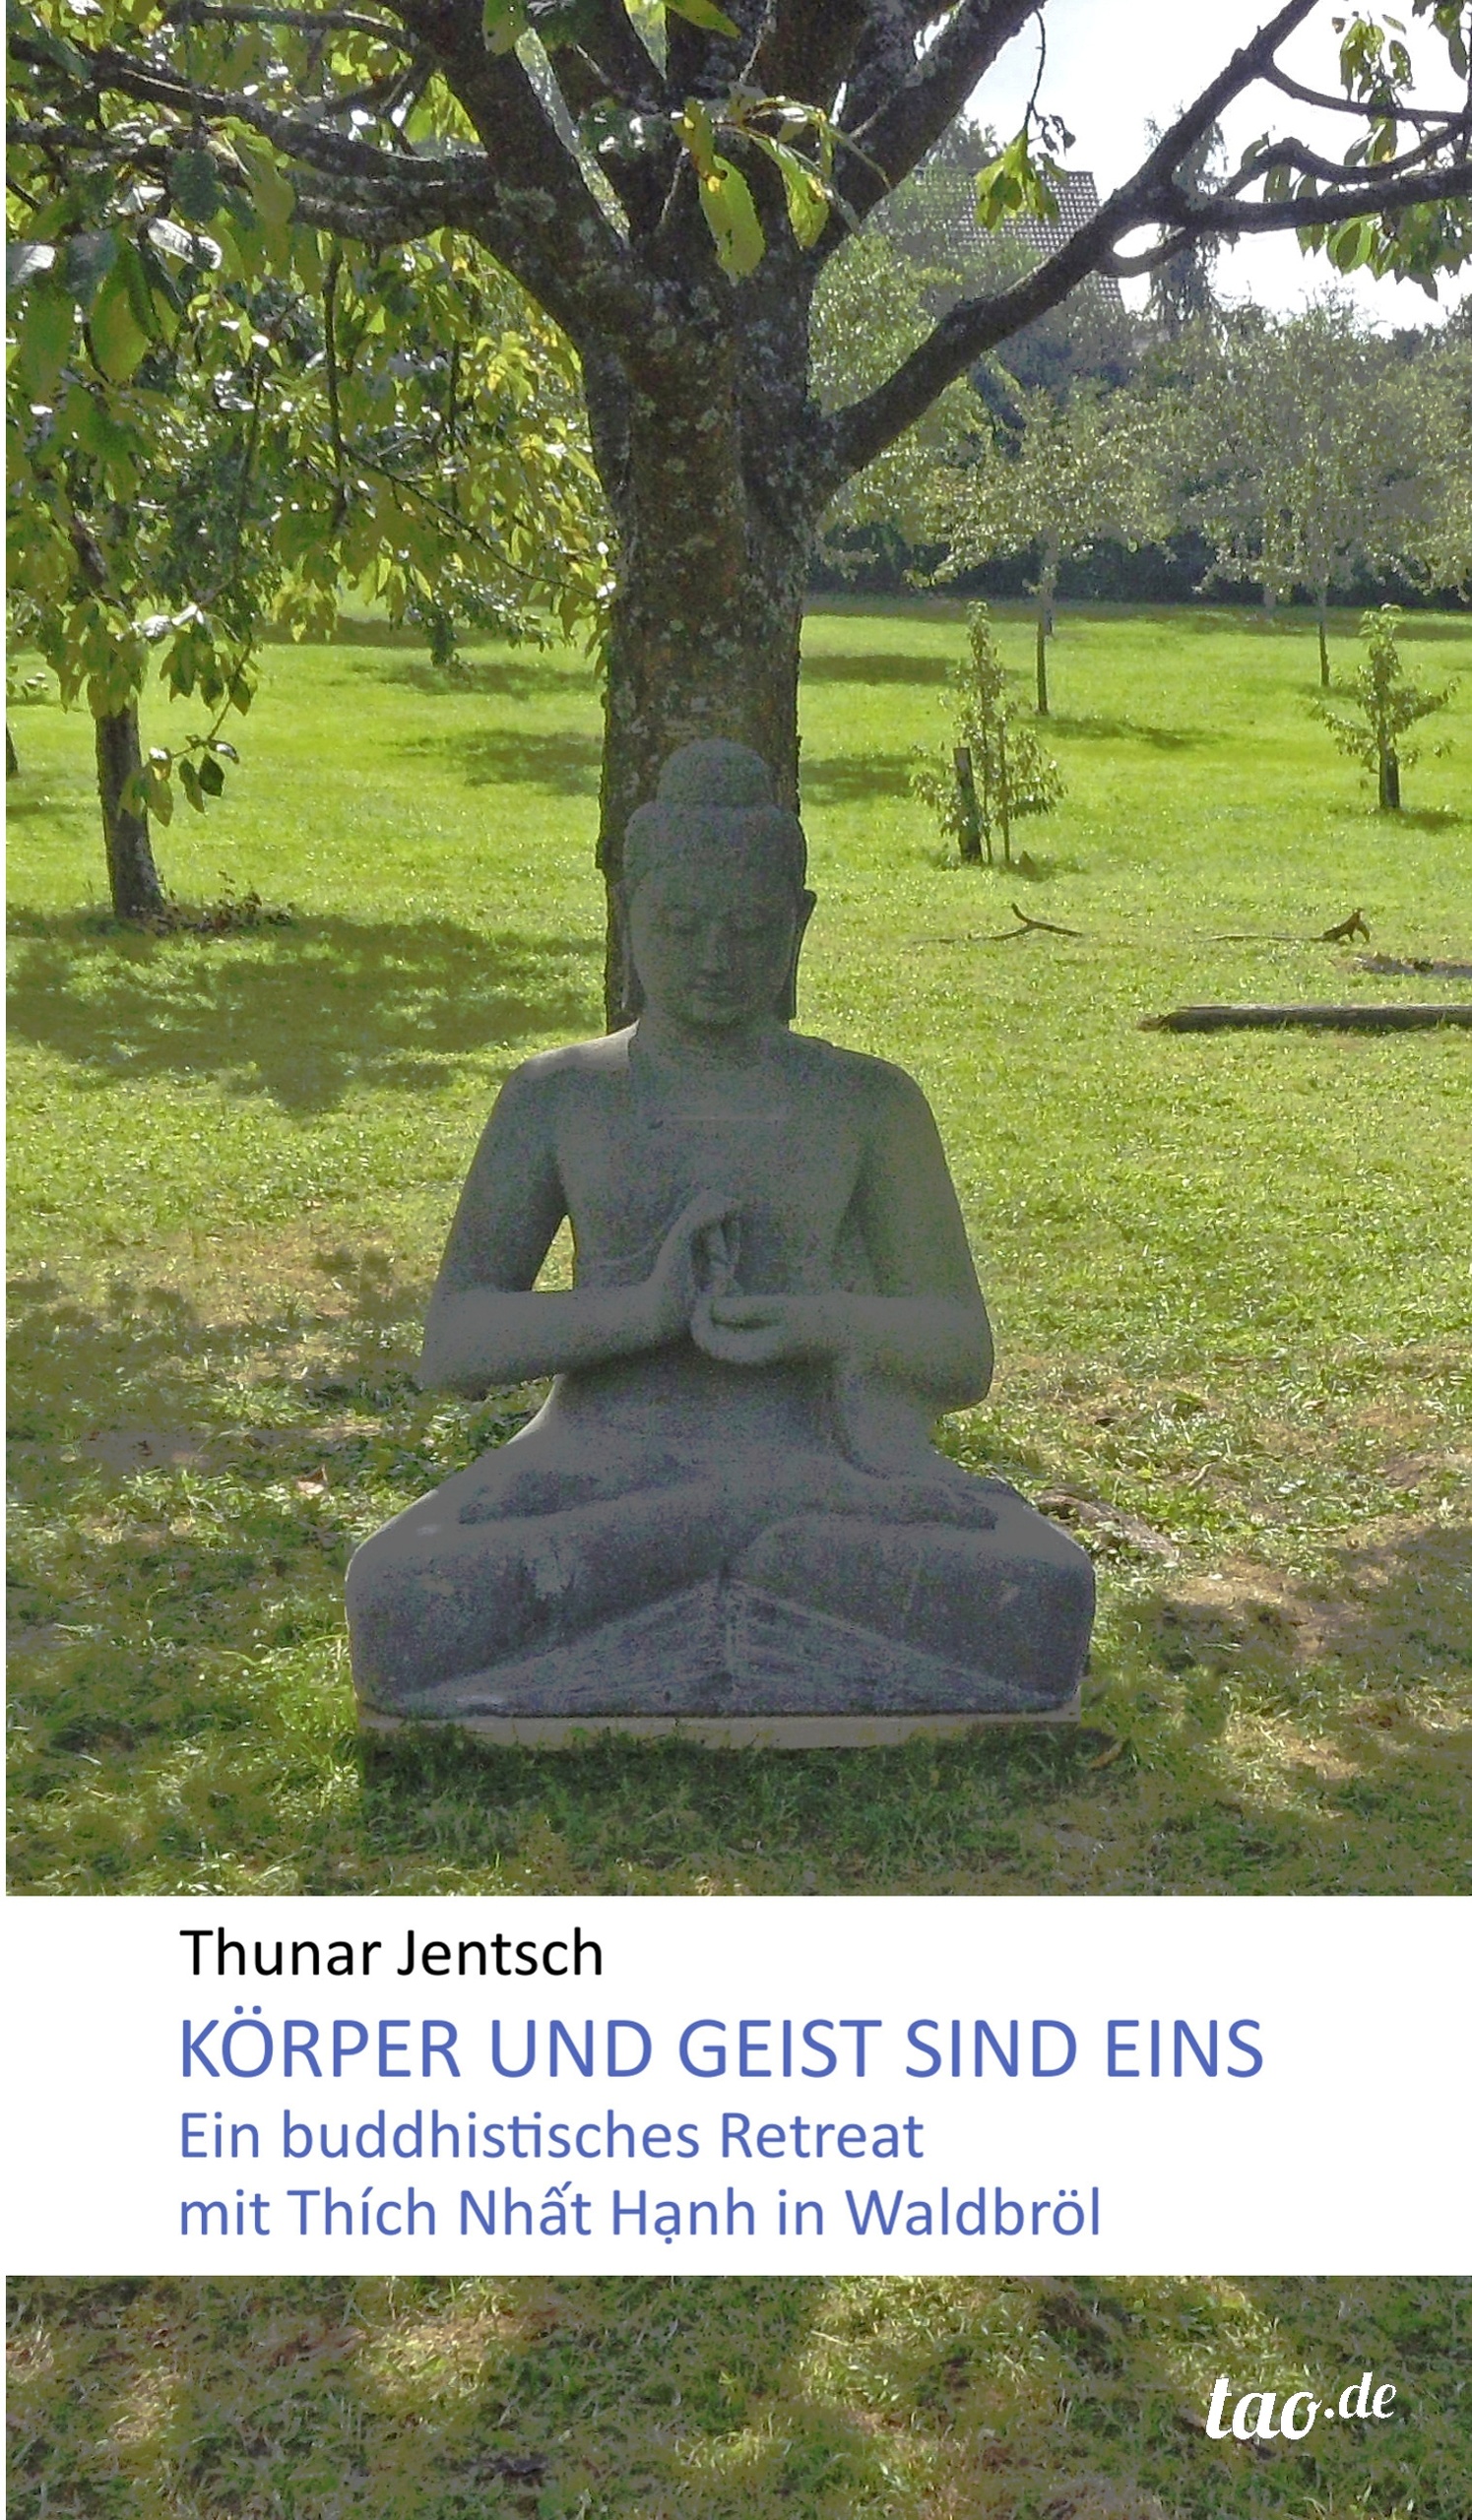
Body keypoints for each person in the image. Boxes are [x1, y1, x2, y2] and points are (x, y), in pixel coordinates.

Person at [347, 740, 1092, 1725]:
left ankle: (690, 1572)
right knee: (396, 1597)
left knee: (1045, 1593)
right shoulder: (557, 1096)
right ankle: (734, 1541)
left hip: (813, 1471)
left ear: (799, 924)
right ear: (627, 914)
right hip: (595, 1469)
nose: (713, 958)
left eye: (748, 929)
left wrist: (810, 1322)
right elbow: (455, 1344)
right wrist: (641, 1314)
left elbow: (959, 1353)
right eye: (680, 925)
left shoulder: (867, 1102)